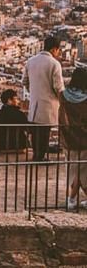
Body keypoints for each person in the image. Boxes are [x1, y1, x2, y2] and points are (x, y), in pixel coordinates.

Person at [23, 36, 64, 162]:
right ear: (54, 49)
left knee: (36, 130)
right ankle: (40, 156)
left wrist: (33, 91)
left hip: (34, 102)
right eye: (58, 50)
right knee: (45, 131)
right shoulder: (54, 63)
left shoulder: (30, 61)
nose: (58, 53)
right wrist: (61, 100)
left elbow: (25, 81)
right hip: (48, 102)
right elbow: (58, 87)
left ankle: (36, 154)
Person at [59, 67, 87, 210]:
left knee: (74, 170)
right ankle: (71, 199)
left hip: (68, 139)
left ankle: (71, 199)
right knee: (82, 172)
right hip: (84, 139)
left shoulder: (63, 95)